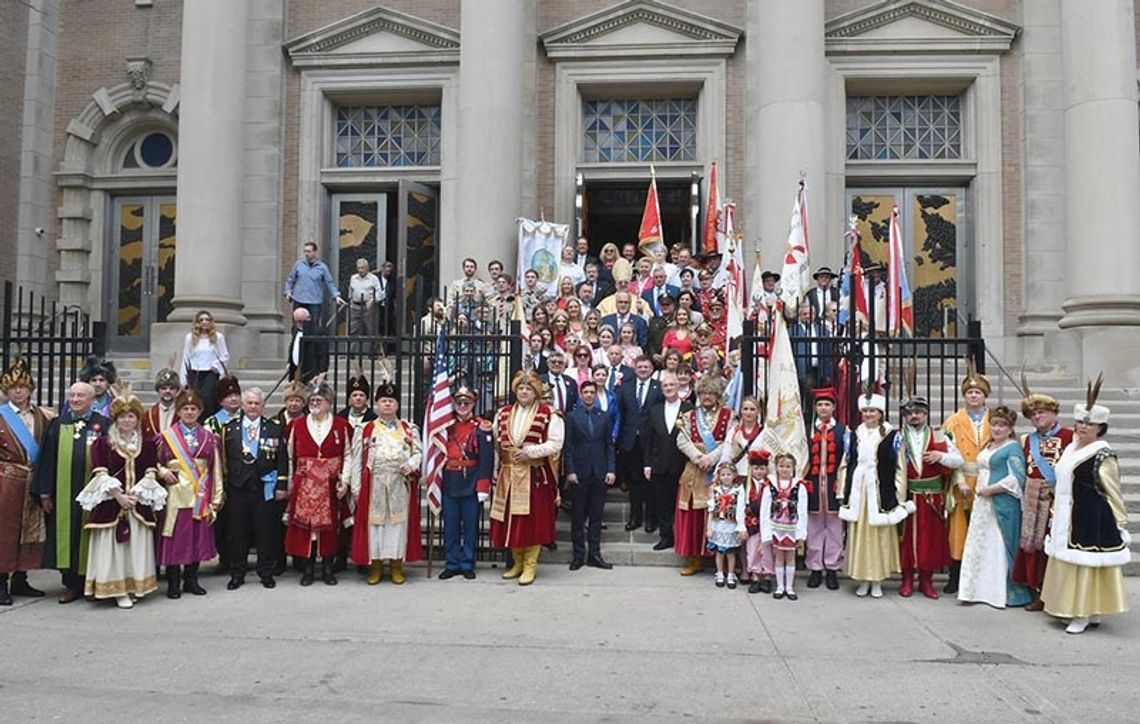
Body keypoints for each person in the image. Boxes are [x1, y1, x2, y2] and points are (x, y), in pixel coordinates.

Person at [1040, 387, 1130, 634]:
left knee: (1086, 565)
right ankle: (1074, 610)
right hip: (1065, 513)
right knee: (1066, 562)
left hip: (1090, 516)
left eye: (1089, 425)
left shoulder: (1103, 455)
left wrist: (1119, 524)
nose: (1082, 427)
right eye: (1080, 422)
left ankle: (1084, 613)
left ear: (1100, 428)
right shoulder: (1070, 448)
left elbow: (1113, 491)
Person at [76, 389, 166, 608]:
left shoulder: (147, 444)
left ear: (137, 419)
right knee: (115, 548)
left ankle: (133, 585)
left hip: (137, 505)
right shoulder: (103, 443)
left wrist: (136, 494)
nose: (127, 420)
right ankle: (118, 591)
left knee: (134, 547)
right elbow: (100, 473)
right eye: (123, 417)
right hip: (112, 505)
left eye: (131, 416)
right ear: (116, 420)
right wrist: (118, 496)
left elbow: (150, 471)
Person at [32, 381, 109, 603]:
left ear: (92, 400)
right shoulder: (57, 424)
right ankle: (70, 585)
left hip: (93, 494)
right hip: (63, 493)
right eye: (72, 395)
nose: (75, 399)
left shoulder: (103, 424)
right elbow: (46, 460)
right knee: (66, 534)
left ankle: (90, 582)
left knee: (89, 534)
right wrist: (45, 493)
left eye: (80, 396)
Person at [490, 372, 563, 586]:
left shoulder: (549, 414)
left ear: (536, 392)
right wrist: (495, 467)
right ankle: (517, 563)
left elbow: (556, 443)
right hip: (508, 474)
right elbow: (497, 445)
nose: (524, 392)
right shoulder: (502, 413)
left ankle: (531, 565)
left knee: (532, 521)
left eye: (529, 389)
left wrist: (532, 452)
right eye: (521, 388)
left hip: (534, 475)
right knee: (511, 520)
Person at [348, 380, 423, 585]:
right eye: (383, 401)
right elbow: (356, 460)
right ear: (376, 405)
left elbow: (418, 453)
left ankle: (397, 566)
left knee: (398, 525)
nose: (387, 405)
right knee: (376, 526)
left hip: (399, 483)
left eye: (391, 401)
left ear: (397, 405)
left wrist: (412, 463)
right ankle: (376, 566)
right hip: (374, 485)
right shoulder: (365, 429)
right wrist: (355, 487)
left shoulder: (409, 429)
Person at [957, 405, 1032, 609]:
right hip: (982, 503)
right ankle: (977, 589)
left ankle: (1001, 591)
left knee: (997, 543)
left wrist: (993, 489)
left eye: (1003, 425)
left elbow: (1018, 477)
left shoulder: (1012, 447)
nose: (997, 429)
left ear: (1010, 429)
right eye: (995, 424)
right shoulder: (989, 446)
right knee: (982, 541)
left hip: (1001, 502)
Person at [837, 392, 910, 599]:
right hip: (859, 493)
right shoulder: (854, 435)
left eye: (873, 411)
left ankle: (877, 580)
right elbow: (846, 463)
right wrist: (843, 490)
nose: (869, 414)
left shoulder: (892, 436)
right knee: (860, 535)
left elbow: (900, 468)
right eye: (866, 411)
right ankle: (862, 579)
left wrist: (899, 496)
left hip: (880, 493)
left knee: (879, 537)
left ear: (880, 413)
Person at [155, 389, 223, 599]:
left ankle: (192, 579)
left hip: (199, 495)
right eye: (185, 408)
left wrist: (217, 497)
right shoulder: (166, 437)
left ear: (200, 411)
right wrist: (163, 472)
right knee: (176, 538)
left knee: (196, 537)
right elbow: (154, 463)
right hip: (175, 495)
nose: (190, 412)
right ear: (179, 411)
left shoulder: (209, 438)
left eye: (194, 409)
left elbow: (216, 468)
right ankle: (173, 581)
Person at [284, 379, 352, 587]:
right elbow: (290, 457)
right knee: (307, 530)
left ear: (329, 403)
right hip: (305, 486)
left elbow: (348, 455)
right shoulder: (297, 425)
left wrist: (346, 481)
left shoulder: (342, 426)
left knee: (330, 529)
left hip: (331, 486)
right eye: (312, 400)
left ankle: (328, 569)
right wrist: (290, 482)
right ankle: (308, 569)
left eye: (319, 400)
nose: (314, 403)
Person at [221, 387, 287, 591]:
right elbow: (223, 461)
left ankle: (266, 571)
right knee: (237, 532)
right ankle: (237, 573)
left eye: (256, 403)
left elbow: (282, 460)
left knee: (265, 532)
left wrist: (282, 485)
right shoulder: (229, 429)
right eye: (249, 403)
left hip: (263, 488)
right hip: (237, 489)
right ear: (242, 405)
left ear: (263, 406)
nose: (252, 407)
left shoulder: (274, 428)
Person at [1012, 385, 1072, 611]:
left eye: (1042, 412)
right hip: (1031, 499)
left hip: (1055, 499)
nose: (1037, 416)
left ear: (1054, 413)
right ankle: (1038, 591)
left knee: (1052, 546)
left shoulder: (1070, 436)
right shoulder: (1027, 439)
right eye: (1033, 414)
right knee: (1033, 549)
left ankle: (1055, 593)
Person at [897, 395, 963, 600]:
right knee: (905, 539)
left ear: (926, 414)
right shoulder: (897, 436)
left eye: (917, 412)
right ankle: (906, 579)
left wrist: (940, 456)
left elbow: (959, 460)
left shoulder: (941, 435)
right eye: (909, 413)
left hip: (932, 497)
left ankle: (927, 581)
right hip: (907, 495)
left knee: (929, 540)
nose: (913, 416)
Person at [0, 360, 52, 605]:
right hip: (7, 482)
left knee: (31, 532)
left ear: (30, 389)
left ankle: (21, 577)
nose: (18, 391)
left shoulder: (42, 415)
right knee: (5, 532)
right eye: (13, 388)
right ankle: (1, 582)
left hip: (34, 481)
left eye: (22, 387)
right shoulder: (1, 416)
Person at [940, 363, 992, 594]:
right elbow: (949, 452)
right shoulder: (952, 421)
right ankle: (956, 575)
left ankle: (982, 575)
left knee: (984, 528)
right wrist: (958, 480)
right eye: (970, 392)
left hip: (987, 480)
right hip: (961, 481)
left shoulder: (995, 420)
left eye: (978, 392)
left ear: (984, 396)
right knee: (958, 529)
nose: (973, 395)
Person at [675, 374, 733, 576]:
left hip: (718, 472)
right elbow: (682, 441)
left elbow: (730, 441)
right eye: (703, 393)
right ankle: (695, 558)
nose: (707, 396)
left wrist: (712, 458)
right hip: (694, 470)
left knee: (721, 515)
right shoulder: (690, 416)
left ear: (717, 395)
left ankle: (723, 559)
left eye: (711, 393)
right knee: (695, 517)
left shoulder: (729, 415)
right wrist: (700, 457)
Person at [437, 386, 493, 580]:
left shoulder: (482, 426)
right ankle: (452, 563)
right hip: (450, 480)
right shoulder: (444, 425)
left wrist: (483, 486)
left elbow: (487, 459)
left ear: (473, 404)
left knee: (470, 526)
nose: (462, 406)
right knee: (450, 525)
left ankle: (468, 562)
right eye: (459, 402)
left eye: (466, 403)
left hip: (471, 481)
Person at [563, 380, 616, 570]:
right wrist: (570, 471)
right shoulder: (571, 417)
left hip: (600, 472)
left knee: (596, 517)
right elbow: (567, 447)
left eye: (592, 392)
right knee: (577, 517)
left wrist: (611, 469)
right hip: (579, 472)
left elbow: (609, 445)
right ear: (580, 394)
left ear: (595, 394)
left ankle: (595, 554)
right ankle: (578, 556)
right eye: (585, 392)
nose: (588, 395)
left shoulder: (604, 416)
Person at [642, 372, 691, 551]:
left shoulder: (689, 409)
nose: (669, 388)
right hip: (659, 464)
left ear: (678, 387)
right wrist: (647, 464)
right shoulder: (654, 410)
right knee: (662, 504)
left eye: (672, 385)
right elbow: (648, 439)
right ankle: (666, 537)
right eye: (665, 386)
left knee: (680, 504)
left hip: (682, 465)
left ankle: (681, 538)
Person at [804, 387, 848, 591]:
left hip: (833, 486)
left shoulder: (843, 431)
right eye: (820, 404)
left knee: (834, 530)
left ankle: (832, 569)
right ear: (815, 407)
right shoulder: (807, 429)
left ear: (834, 407)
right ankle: (814, 569)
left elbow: (848, 459)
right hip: (813, 486)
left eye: (827, 404)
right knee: (813, 529)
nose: (823, 408)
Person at [617, 356, 662, 534]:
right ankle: (635, 517)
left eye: (646, 367)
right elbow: (621, 413)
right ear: (634, 369)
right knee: (634, 483)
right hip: (630, 441)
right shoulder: (625, 387)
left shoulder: (659, 388)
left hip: (650, 441)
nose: (643, 369)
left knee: (649, 483)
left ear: (652, 369)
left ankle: (651, 519)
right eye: (640, 367)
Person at [204, 374, 242, 573]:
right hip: (219, 479)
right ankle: (224, 557)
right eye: (229, 396)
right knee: (222, 522)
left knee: (239, 521)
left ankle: (239, 558)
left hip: (241, 479)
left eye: (236, 394)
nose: (234, 399)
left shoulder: (248, 419)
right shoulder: (211, 423)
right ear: (220, 400)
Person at [761, 453, 810, 601]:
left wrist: (801, 534)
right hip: (776, 528)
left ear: (794, 468)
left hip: (792, 528)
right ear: (776, 467)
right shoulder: (769, 486)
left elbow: (802, 510)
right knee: (779, 557)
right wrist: (766, 533)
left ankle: (789, 587)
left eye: (788, 466)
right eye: (781, 466)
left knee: (790, 557)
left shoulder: (799, 486)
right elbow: (765, 510)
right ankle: (780, 586)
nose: (785, 469)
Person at [177, 311, 229, 417]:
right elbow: (186, 357)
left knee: (208, 400)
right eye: (201, 320)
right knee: (195, 400)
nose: (204, 322)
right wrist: (183, 380)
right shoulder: (190, 337)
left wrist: (217, 365)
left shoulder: (218, 337)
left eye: (207, 320)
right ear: (197, 322)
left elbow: (225, 356)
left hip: (210, 373)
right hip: (195, 373)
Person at [285, 241, 345, 329]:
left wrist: (336, 296)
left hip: (314, 301)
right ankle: (296, 342)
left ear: (315, 252)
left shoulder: (322, 267)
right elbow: (290, 279)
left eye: (308, 251)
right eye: (305, 251)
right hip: (299, 299)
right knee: (296, 326)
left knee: (313, 326)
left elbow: (329, 282)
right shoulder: (298, 264)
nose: (306, 254)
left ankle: (312, 343)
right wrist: (288, 292)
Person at [706, 462, 746, 589]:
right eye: (723, 474)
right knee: (719, 552)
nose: (726, 477)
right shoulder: (715, 490)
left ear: (734, 475)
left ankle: (731, 573)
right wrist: (709, 527)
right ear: (719, 476)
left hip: (731, 525)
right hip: (718, 524)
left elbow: (740, 509)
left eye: (729, 474)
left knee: (730, 552)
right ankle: (719, 573)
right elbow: (711, 510)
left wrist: (741, 527)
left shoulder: (738, 490)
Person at [742, 450, 773, 593]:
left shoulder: (771, 484)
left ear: (767, 469)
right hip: (752, 523)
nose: (759, 472)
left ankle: (767, 577)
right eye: (756, 468)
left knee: (767, 550)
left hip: (767, 523)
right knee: (753, 549)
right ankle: (755, 576)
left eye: (762, 468)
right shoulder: (746, 485)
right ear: (751, 469)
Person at [720, 395, 763, 477]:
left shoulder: (764, 432)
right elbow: (726, 455)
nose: (748, 412)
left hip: (757, 479)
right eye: (745, 409)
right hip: (736, 477)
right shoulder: (733, 431)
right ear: (741, 411)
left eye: (752, 409)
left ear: (758, 411)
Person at [143, 363, 180, 441]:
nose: (167, 391)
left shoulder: (183, 414)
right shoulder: (148, 415)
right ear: (158, 390)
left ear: (177, 390)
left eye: (172, 388)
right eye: (163, 388)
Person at [347, 257, 382, 341]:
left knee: (371, 331)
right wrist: (350, 303)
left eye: (362, 268)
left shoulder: (373, 278)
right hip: (355, 307)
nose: (360, 270)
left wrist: (373, 300)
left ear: (367, 268)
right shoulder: (353, 278)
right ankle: (352, 353)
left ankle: (372, 353)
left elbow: (380, 293)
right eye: (358, 268)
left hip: (368, 307)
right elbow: (350, 291)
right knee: (353, 331)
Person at [544, 350, 578, 415]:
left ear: (564, 365)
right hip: (546, 417)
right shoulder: (540, 380)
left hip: (567, 419)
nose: (557, 364)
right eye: (553, 362)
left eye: (560, 362)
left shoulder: (571, 382)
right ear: (548, 363)